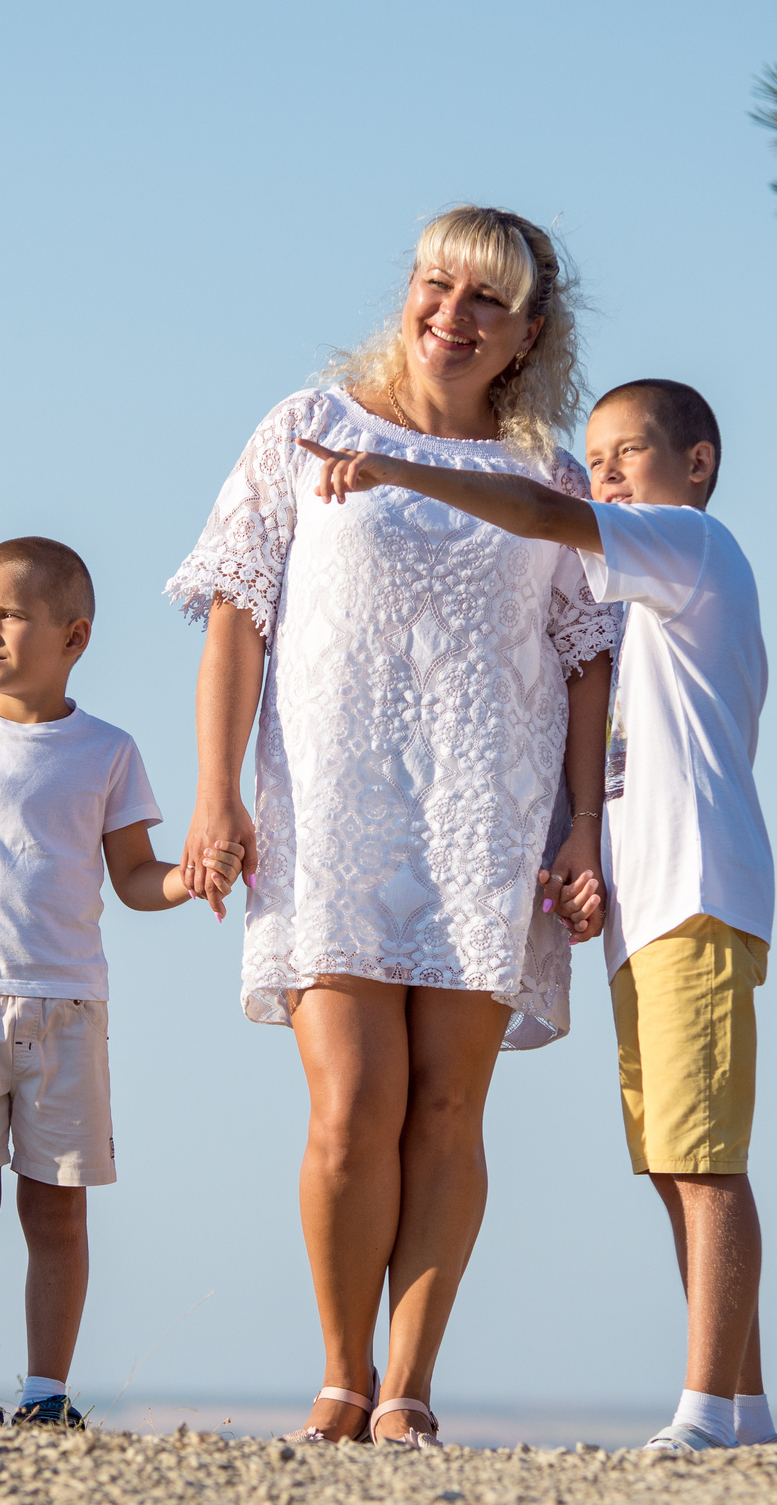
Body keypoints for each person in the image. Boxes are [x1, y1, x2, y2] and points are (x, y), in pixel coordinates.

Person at [166, 207, 618, 1449]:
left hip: (486, 814)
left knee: (447, 1110)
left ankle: (409, 1387)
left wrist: (582, 826)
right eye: (436, 284)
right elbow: (237, 614)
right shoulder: (308, 425)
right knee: (351, 1104)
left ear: (528, 334)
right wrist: (215, 790)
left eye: (486, 301)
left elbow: (589, 654)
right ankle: (339, 1374)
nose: (450, 315)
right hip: (332, 807)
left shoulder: (548, 475)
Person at [296, 377, 777, 1452]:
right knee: (674, 1158)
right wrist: (586, 851)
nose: (603, 477)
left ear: (696, 464)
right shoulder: (649, 598)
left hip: (699, 893)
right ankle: (743, 1412)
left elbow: (539, 514)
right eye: (594, 460)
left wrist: (395, 467)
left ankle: (705, 1412)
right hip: (653, 907)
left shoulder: (692, 545)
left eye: (627, 455)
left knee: (704, 1162)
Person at [0, 535, 243, 1429]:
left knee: (58, 1208)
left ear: (74, 636)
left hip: (70, 1007)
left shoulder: (108, 751)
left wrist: (191, 879)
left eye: (9, 614)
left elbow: (135, 877)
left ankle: (47, 1393)